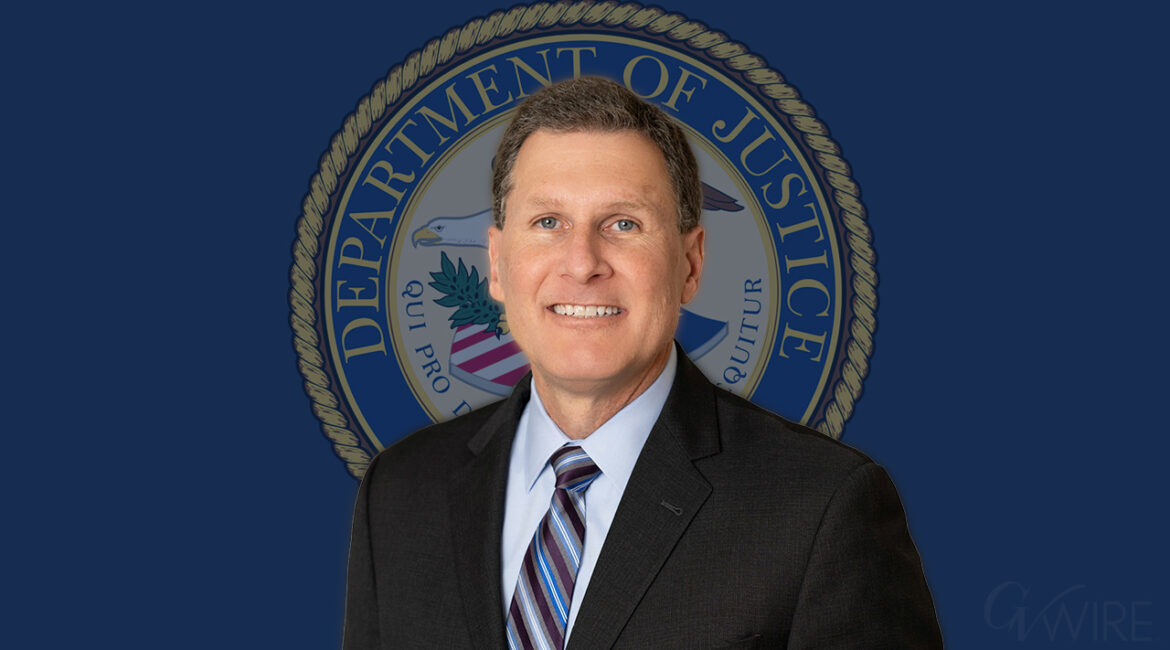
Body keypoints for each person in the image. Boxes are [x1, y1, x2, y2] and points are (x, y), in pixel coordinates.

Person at [343, 76, 943, 649]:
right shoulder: (398, 494)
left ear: (690, 264)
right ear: (497, 264)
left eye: (623, 223)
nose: (583, 262)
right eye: (548, 222)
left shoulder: (823, 507)